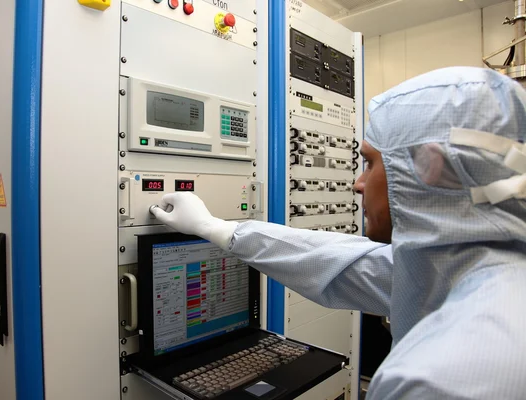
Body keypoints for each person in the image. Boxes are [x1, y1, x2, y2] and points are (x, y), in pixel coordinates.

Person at [150, 67, 526, 399]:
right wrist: (214, 228)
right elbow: (344, 262)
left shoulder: (439, 379)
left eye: (371, 163)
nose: (359, 184)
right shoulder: (476, 270)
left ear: (430, 168)